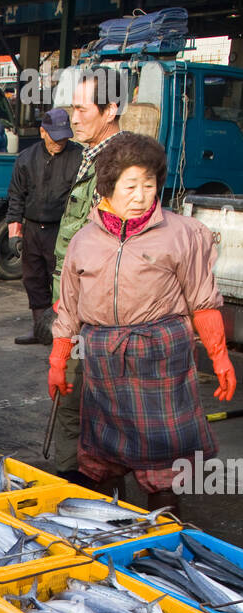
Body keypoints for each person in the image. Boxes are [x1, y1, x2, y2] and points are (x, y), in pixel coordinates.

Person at [51, 132, 235, 511]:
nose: (141, 196)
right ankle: (104, 530)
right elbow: (68, 307)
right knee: (102, 457)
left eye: (149, 185)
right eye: (130, 186)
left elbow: (202, 300)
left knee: (161, 465)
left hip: (160, 356)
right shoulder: (83, 239)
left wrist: (219, 357)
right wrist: (59, 361)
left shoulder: (183, 233)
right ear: (107, 187)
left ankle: (163, 535)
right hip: (102, 359)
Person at [50, 68, 122, 483]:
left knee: (91, 407)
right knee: (73, 401)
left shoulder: (118, 167)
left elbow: (108, 250)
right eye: (71, 108)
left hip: (95, 315)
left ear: (110, 110)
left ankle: (93, 494)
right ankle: (71, 483)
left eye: (81, 109)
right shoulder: (90, 158)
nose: (73, 118)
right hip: (74, 308)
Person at [6, 106, 81, 345]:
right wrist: (14, 233)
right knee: (34, 279)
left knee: (63, 280)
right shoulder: (26, 159)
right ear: (43, 132)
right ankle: (41, 329)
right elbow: (16, 196)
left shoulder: (78, 157)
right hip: (32, 229)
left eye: (64, 136)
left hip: (62, 229)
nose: (60, 141)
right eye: (55, 136)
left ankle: (64, 331)